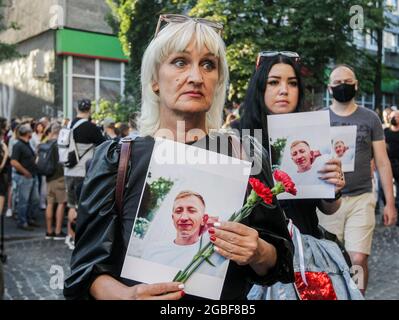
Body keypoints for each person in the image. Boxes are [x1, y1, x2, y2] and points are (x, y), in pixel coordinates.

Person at [64, 14, 294, 300]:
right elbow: (87, 271)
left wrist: (258, 251)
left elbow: (279, 261)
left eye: (208, 65)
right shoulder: (119, 158)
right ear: (154, 80)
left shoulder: (244, 154)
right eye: (180, 62)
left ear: (217, 80)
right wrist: (127, 296)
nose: (196, 77)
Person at [240, 51, 345, 239]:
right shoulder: (236, 135)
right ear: (260, 86)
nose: (284, 90)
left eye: (292, 83)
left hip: (305, 252)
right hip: (253, 255)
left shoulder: (313, 133)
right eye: (273, 82)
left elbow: (328, 209)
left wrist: (334, 189)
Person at [317, 64, 396, 294]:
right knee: (329, 261)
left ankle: (357, 296)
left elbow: (382, 161)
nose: (343, 86)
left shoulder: (370, 118)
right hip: (328, 200)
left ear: (356, 85)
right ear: (330, 88)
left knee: (358, 258)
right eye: (338, 83)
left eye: (348, 82)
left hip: (362, 197)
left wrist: (389, 203)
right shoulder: (319, 117)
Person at [141, 191, 226, 277]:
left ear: (204, 219)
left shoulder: (213, 254)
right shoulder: (152, 250)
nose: (184, 217)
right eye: (178, 211)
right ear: (173, 218)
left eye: (192, 211)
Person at [64, 99, 106, 250]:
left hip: (68, 170)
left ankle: (70, 235)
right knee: (80, 206)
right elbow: (104, 144)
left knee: (71, 205)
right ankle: (78, 238)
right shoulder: (90, 127)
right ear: (89, 110)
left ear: (77, 108)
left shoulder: (68, 125)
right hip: (82, 172)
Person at [10, 124, 40, 231]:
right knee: (24, 201)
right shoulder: (18, 145)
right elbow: (13, 162)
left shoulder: (27, 144)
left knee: (34, 199)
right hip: (24, 177)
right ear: (27, 133)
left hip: (32, 175)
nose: (32, 133)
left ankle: (29, 218)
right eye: (31, 132)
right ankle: (22, 222)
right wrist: (25, 172)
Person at [44, 123, 67, 240]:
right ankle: (58, 231)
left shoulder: (45, 143)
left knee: (49, 203)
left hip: (48, 178)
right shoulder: (59, 144)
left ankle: (48, 231)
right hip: (59, 177)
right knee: (61, 203)